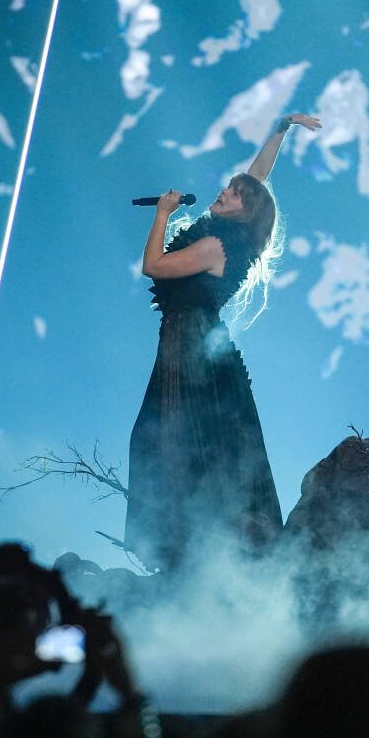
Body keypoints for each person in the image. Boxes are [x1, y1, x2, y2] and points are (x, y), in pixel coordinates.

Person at [125, 113, 321, 572]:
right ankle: (194, 552)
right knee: (191, 444)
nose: (226, 190)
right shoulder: (232, 236)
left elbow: (153, 266)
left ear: (244, 211)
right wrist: (282, 127)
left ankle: (187, 552)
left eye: (234, 194)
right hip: (193, 341)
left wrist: (162, 215)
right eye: (229, 186)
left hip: (191, 346)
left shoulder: (216, 245)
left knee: (176, 441)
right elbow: (258, 177)